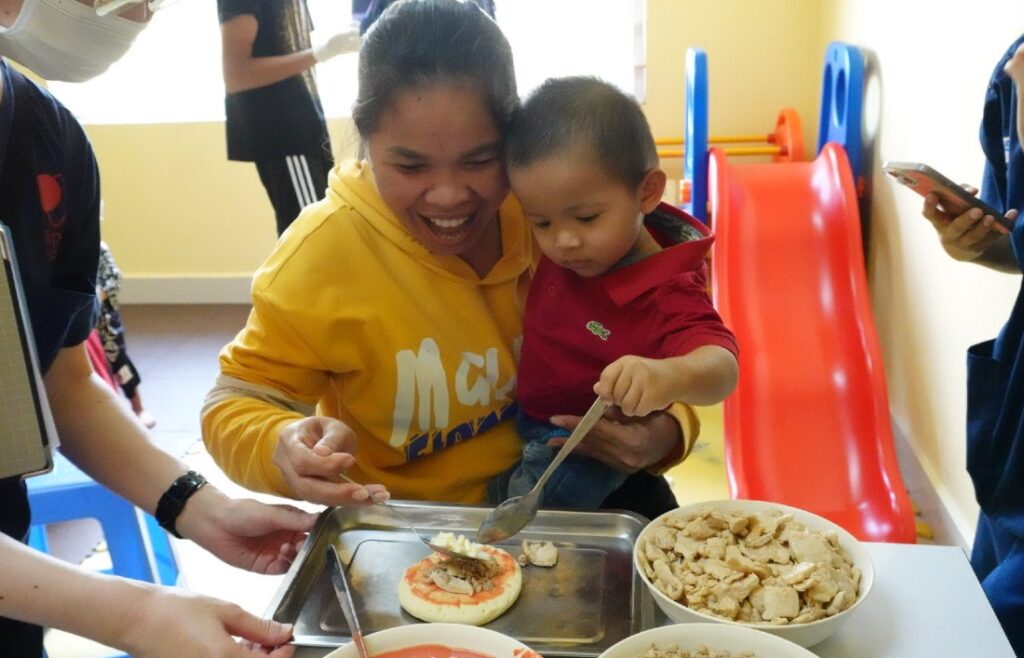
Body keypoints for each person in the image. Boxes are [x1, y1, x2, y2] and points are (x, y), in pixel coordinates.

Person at [201, 0, 697, 521]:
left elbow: (670, 338)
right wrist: (280, 443)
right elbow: (230, 403)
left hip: (578, 492)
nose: (447, 196)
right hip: (414, 527)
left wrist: (665, 432)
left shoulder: (555, 217)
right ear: (367, 141)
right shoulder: (321, 256)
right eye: (409, 165)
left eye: (480, 161)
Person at [0, 2, 318, 656]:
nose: (142, 9)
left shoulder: (47, 141)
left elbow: (62, 385)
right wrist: (132, 616)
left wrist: (200, 507)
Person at [496, 77, 739, 509]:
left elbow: (722, 367)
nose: (562, 242)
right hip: (531, 422)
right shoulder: (575, 238)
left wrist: (667, 376)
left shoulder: (668, 286)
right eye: (542, 223)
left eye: (587, 218)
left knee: (527, 522)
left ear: (646, 192)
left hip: (590, 443)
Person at [920, 35, 1024, 655]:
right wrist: (974, 242)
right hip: (1014, 437)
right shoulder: (1012, 74)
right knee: (976, 609)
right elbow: (1014, 239)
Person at [218, 0, 358, 235]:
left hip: (306, 126)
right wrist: (320, 53)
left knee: (320, 233)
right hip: (284, 134)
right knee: (313, 236)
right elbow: (236, 75)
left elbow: (290, 46)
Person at [97, 238, 156, 428]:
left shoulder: (98, 248)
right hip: (79, 320)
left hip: (104, 318)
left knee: (118, 360)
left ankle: (137, 407)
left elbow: (113, 278)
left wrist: (99, 297)